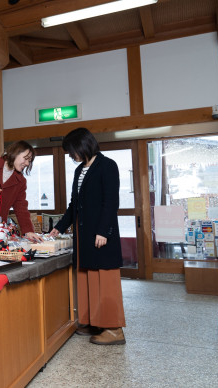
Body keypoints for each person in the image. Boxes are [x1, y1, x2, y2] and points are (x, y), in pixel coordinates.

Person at [50, 127, 126, 345]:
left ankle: (114, 329)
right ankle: (94, 322)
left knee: (105, 280)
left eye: (71, 150)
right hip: (84, 237)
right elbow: (75, 205)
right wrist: (60, 227)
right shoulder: (79, 171)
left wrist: (103, 231)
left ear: (83, 146)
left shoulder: (107, 165)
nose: (70, 156)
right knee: (87, 280)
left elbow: (111, 202)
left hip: (101, 235)